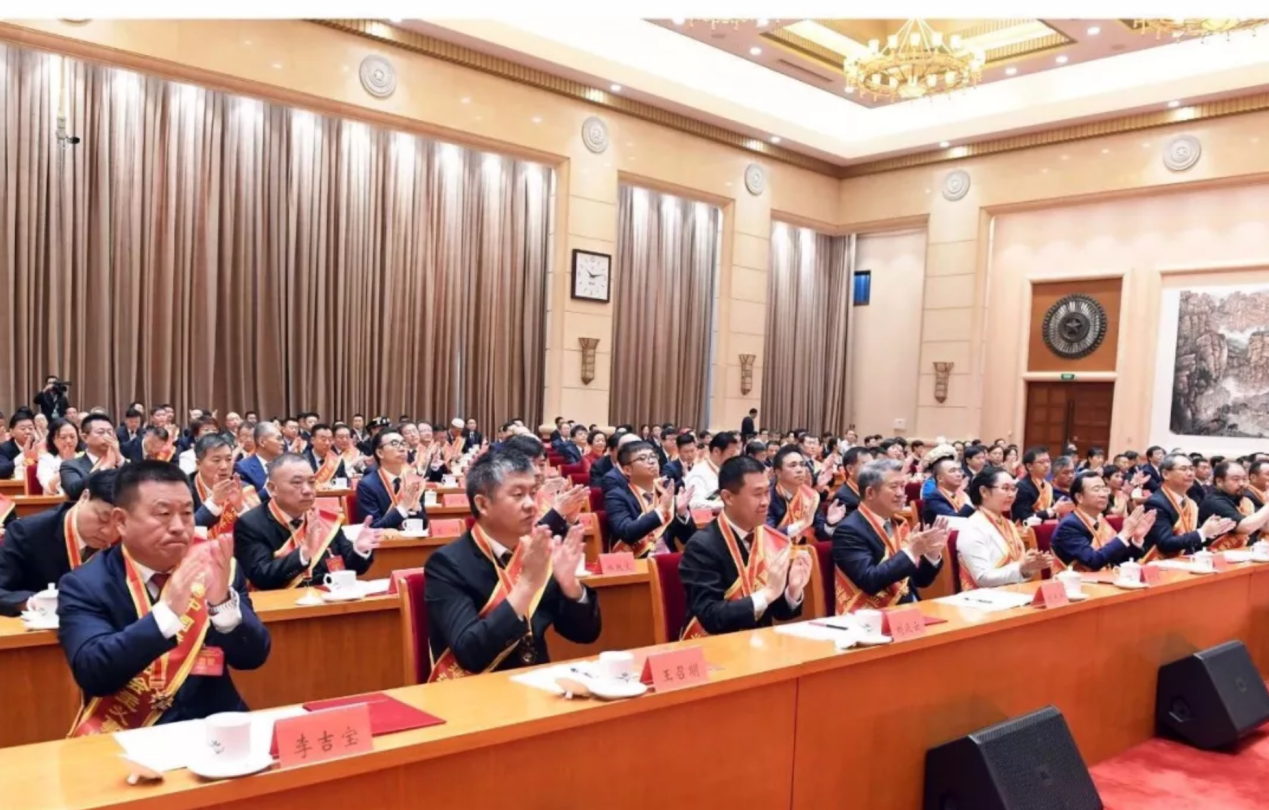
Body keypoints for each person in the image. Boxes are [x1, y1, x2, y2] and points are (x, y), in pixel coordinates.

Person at [58, 461, 271, 733]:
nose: (179, 527)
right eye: (163, 514)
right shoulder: (84, 584)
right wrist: (167, 613)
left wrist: (222, 606)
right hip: (128, 735)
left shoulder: (217, 567)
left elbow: (253, 657)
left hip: (213, 726)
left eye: (187, 513)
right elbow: (93, 673)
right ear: (121, 521)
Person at [424, 450, 599, 679]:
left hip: (536, 682)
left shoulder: (537, 550)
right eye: (518, 495)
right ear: (483, 504)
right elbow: (470, 654)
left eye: (533, 493)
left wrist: (571, 587)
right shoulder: (447, 564)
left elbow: (585, 634)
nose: (532, 505)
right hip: (476, 689)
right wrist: (526, 585)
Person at [679, 456, 809, 638]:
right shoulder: (702, 546)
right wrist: (767, 593)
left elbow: (779, 612)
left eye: (767, 492)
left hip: (759, 643)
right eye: (757, 494)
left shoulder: (771, 538)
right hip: (716, 645)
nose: (765, 501)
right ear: (728, 497)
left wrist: (792, 592)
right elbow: (711, 616)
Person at [233, 454, 380, 590]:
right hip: (284, 604)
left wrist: (359, 550)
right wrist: (303, 554)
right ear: (272, 489)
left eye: (311, 482)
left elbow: (352, 567)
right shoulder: (251, 524)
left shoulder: (325, 518)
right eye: (297, 483)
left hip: (328, 600)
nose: (307, 490)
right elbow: (261, 577)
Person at [832, 458, 947, 612]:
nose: (901, 494)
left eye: (902, 486)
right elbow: (869, 581)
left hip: (908, 611)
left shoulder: (898, 524)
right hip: (870, 616)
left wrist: (931, 555)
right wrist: (911, 552)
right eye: (893, 487)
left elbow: (920, 581)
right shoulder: (848, 531)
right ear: (870, 492)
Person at [0, 470, 120, 616]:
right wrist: (30, 603)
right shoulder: (27, 532)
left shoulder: (132, 536)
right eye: (102, 518)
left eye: (120, 524)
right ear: (84, 497)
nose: (108, 532)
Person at [956, 467, 1051, 589]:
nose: (1011, 494)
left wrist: (1029, 567)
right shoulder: (973, 527)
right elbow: (982, 578)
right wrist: (1021, 567)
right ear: (984, 491)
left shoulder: (1009, 524)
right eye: (1005, 488)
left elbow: (1020, 569)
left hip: (1013, 592)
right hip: (984, 597)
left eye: (1013, 489)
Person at [603, 440, 696, 557]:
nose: (652, 461)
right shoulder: (616, 496)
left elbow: (688, 539)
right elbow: (626, 533)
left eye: (653, 456)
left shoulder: (665, 492)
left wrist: (682, 514)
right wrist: (661, 510)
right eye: (642, 458)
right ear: (627, 470)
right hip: (637, 561)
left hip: (668, 559)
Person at [1052, 472, 1154, 571]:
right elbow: (1093, 561)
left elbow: (1118, 561)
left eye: (1105, 489)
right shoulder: (1069, 526)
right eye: (1096, 490)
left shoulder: (1101, 521)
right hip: (1079, 581)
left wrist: (1136, 539)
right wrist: (1125, 533)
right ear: (1079, 497)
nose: (1104, 494)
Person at [1140, 453, 1234, 561]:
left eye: (1191, 469)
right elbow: (1165, 543)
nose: (1190, 473)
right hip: (1162, 563)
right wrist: (1203, 532)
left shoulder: (1190, 503)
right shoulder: (1156, 503)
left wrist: (1213, 531)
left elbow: (1194, 539)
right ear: (1165, 474)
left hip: (1187, 560)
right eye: (1183, 469)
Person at [766, 445, 845, 543]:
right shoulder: (767, 497)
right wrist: (802, 524)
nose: (800, 470)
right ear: (778, 472)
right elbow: (767, 535)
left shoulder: (811, 496)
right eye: (793, 465)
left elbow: (821, 535)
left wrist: (829, 524)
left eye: (802, 464)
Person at [355, 429, 427, 530]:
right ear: (380, 453)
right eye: (394, 444)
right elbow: (372, 528)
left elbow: (424, 525)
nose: (402, 449)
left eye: (403, 443)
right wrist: (402, 508)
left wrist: (417, 510)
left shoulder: (414, 482)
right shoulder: (367, 485)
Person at [190, 434, 259, 538]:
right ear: (198, 463)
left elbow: (260, 532)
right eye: (216, 460)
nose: (224, 466)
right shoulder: (184, 489)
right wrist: (214, 503)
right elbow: (184, 531)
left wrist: (240, 508)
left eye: (229, 459)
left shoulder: (244, 489)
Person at [1198, 461, 1269, 549]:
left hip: (1241, 552)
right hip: (1215, 554)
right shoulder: (1214, 502)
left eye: (1244, 479)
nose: (1242, 483)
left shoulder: (1243, 500)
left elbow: (1266, 527)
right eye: (1236, 479)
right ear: (1219, 481)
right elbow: (1246, 527)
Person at [58, 414, 127, 497]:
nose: (107, 436)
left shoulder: (121, 463)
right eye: (101, 432)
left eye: (110, 432)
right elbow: (73, 490)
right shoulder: (70, 465)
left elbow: (136, 483)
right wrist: (105, 467)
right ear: (85, 437)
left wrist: (118, 457)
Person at [1012, 447, 1075, 523]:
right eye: (1042, 462)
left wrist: (1059, 511)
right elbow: (1023, 517)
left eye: (1048, 461)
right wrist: (1052, 510)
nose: (1047, 465)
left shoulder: (1048, 486)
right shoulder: (1022, 487)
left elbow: (1052, 513)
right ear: (1029, 466)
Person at [684, 431, 741, 511]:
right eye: (731, 455)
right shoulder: (698, 473)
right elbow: (694, 504)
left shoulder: (729, 471)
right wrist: (727, 505)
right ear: (716, 451)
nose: (734, 459)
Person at [920, 457, 976, 525]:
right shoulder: (935, 498)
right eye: (952, 471)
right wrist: (973, 503)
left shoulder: (962, 493)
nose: (958, 474)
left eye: (960, 470)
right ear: (940, 478)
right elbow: (955, 521)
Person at [234, 421, 283, 497]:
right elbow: (249, 501)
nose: (282, 443)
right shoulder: (243, 468)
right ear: (262, 442)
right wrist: (268, 490)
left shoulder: (285, 464)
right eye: (278, 439)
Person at [37, 418, 82, 497]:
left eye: (72, 436)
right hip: (56, 502)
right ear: (53, 439)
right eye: (63, 437)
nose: (68, 441)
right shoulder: (46, 459)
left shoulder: (84, 457)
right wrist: (66, 465)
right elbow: (49, 488)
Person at [831, 446, 872, 516]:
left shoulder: (871, 489)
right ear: (850, 469)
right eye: (866, 465)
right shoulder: (843, 497)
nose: (872, 469)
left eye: (873, 465)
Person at [0, 408, 37, 480]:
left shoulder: (39, 447)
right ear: (12, 432)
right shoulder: (4, 449)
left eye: (30, 428)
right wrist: (23, 455)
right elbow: (1, 470)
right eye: (23, 429)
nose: (28, 432)